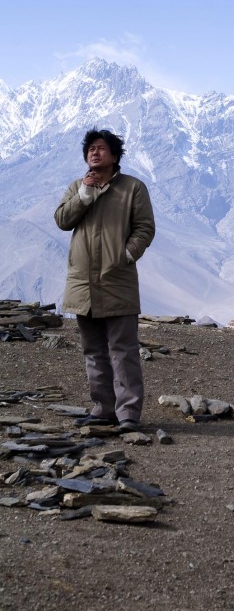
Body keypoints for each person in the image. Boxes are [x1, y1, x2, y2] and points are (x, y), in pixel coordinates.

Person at [55, 128, 155, 430]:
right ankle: (102, 410)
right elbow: (62, 220)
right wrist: (85, 196)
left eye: (101, 148)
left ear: (114, 156)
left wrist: (126, 255)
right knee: (93, 351)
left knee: (123, 351)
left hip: (117, 281)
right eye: (90, 149)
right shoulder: (77, 187)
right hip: (83, 285)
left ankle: (128, 415)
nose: (94, 153)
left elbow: (145, 228)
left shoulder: (132, 188)